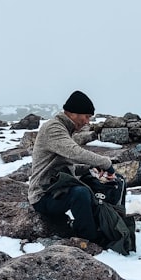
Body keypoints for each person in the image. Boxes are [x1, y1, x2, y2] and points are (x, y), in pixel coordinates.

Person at [27, 90, 124, 244]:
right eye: (86, 117)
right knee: (80, 193)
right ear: (73, 113)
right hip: (43, 195)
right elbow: (74, 152)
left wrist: (88, 169)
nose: (87, 122)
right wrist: (105, 163)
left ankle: (109, 224)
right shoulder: (53, 128)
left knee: (98, 183)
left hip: (56, 187)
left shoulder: (64, 129)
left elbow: (65, 165)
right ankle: (89, 238)